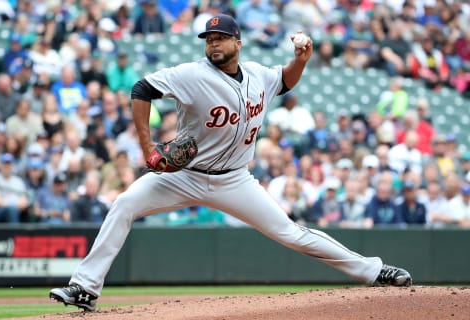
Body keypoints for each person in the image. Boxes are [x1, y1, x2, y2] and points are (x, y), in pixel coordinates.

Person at [49, 14, 412, 311]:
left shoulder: (257, 74)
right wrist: (147, 146)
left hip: (235, 180)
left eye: (220, 38)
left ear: (237, 42)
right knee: (125, 203)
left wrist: (300, 61)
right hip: (183, 176)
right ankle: (84, 287)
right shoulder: (192, 74)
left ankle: (373, 271)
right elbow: (142, 89)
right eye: (209, 39)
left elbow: (284, 81)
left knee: (291, 233)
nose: (213, 44)